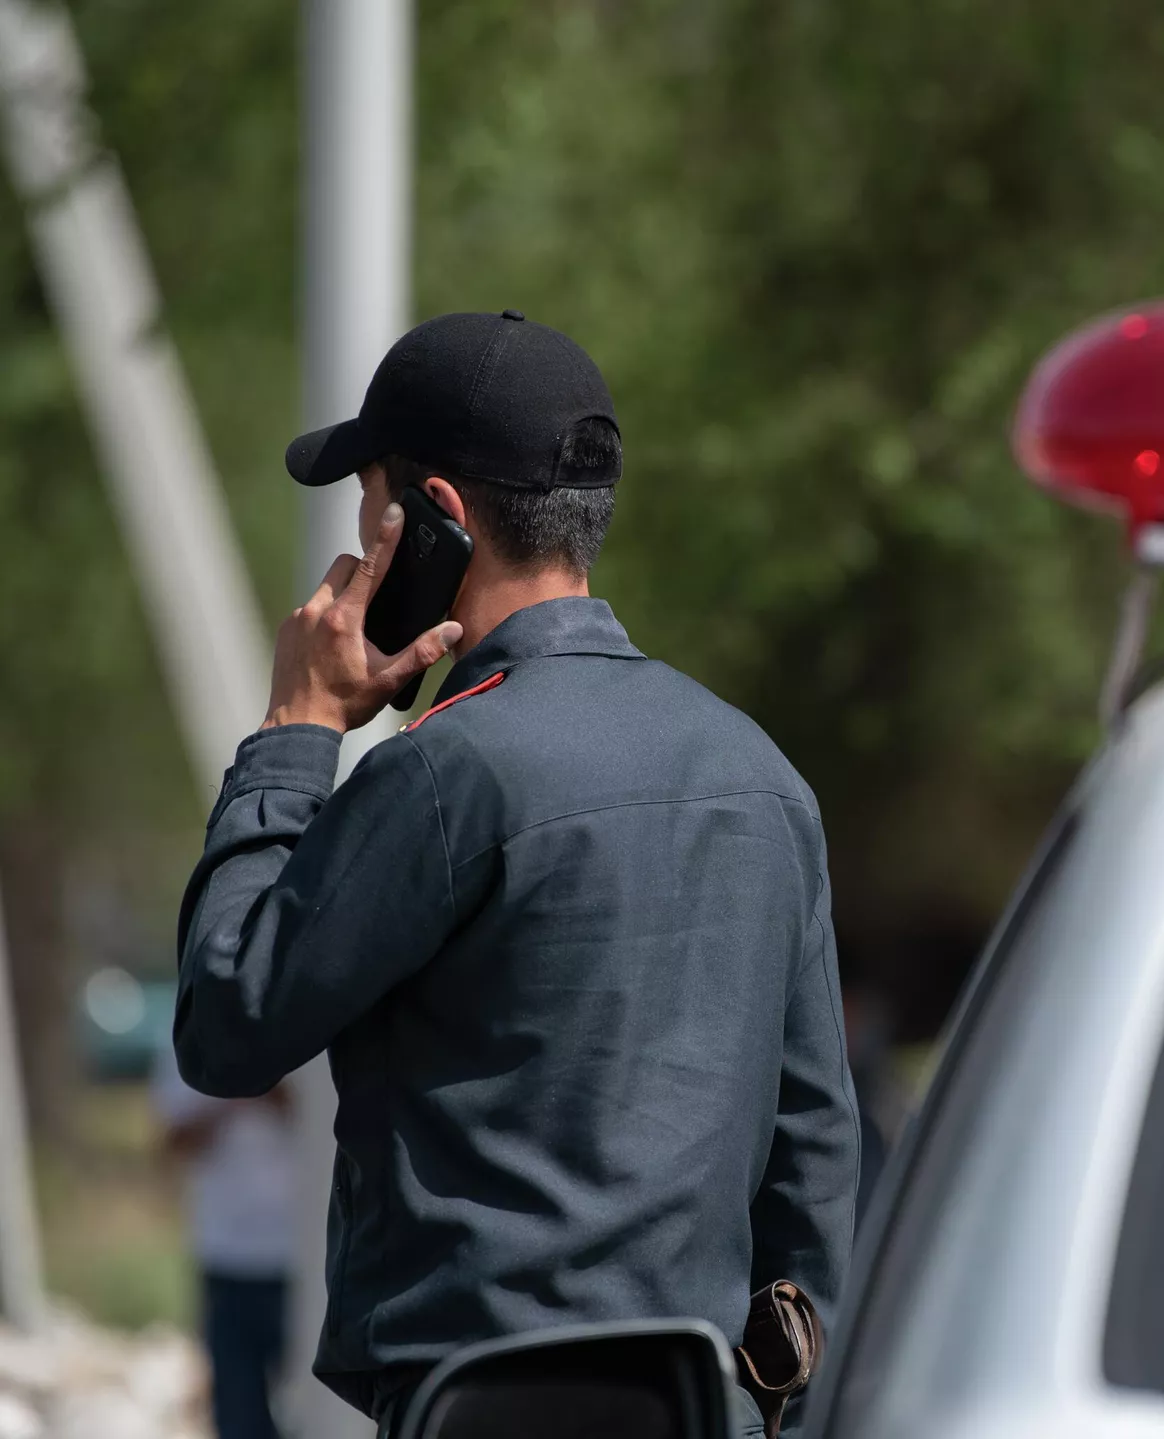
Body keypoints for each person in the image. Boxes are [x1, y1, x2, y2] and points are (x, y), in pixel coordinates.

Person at [173, 311, 860, 1437]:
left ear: (434, 516)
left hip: (483, 1409)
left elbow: (224, 1024)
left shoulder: (440, 774)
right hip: (706, 1411)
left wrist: (294, 733)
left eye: (369, 500)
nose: (355, 543)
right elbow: (814, 1145)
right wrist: (766, 1400)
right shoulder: (762, 774)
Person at [150, 1038, 296, 1439]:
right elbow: (172, 1140)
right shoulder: (192, 1034)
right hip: (226, 1255)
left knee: (316, 1407)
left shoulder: (314, 1031)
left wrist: (270, 1089)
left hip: (304, 1258)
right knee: (237, 1410)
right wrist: (229, 1098)